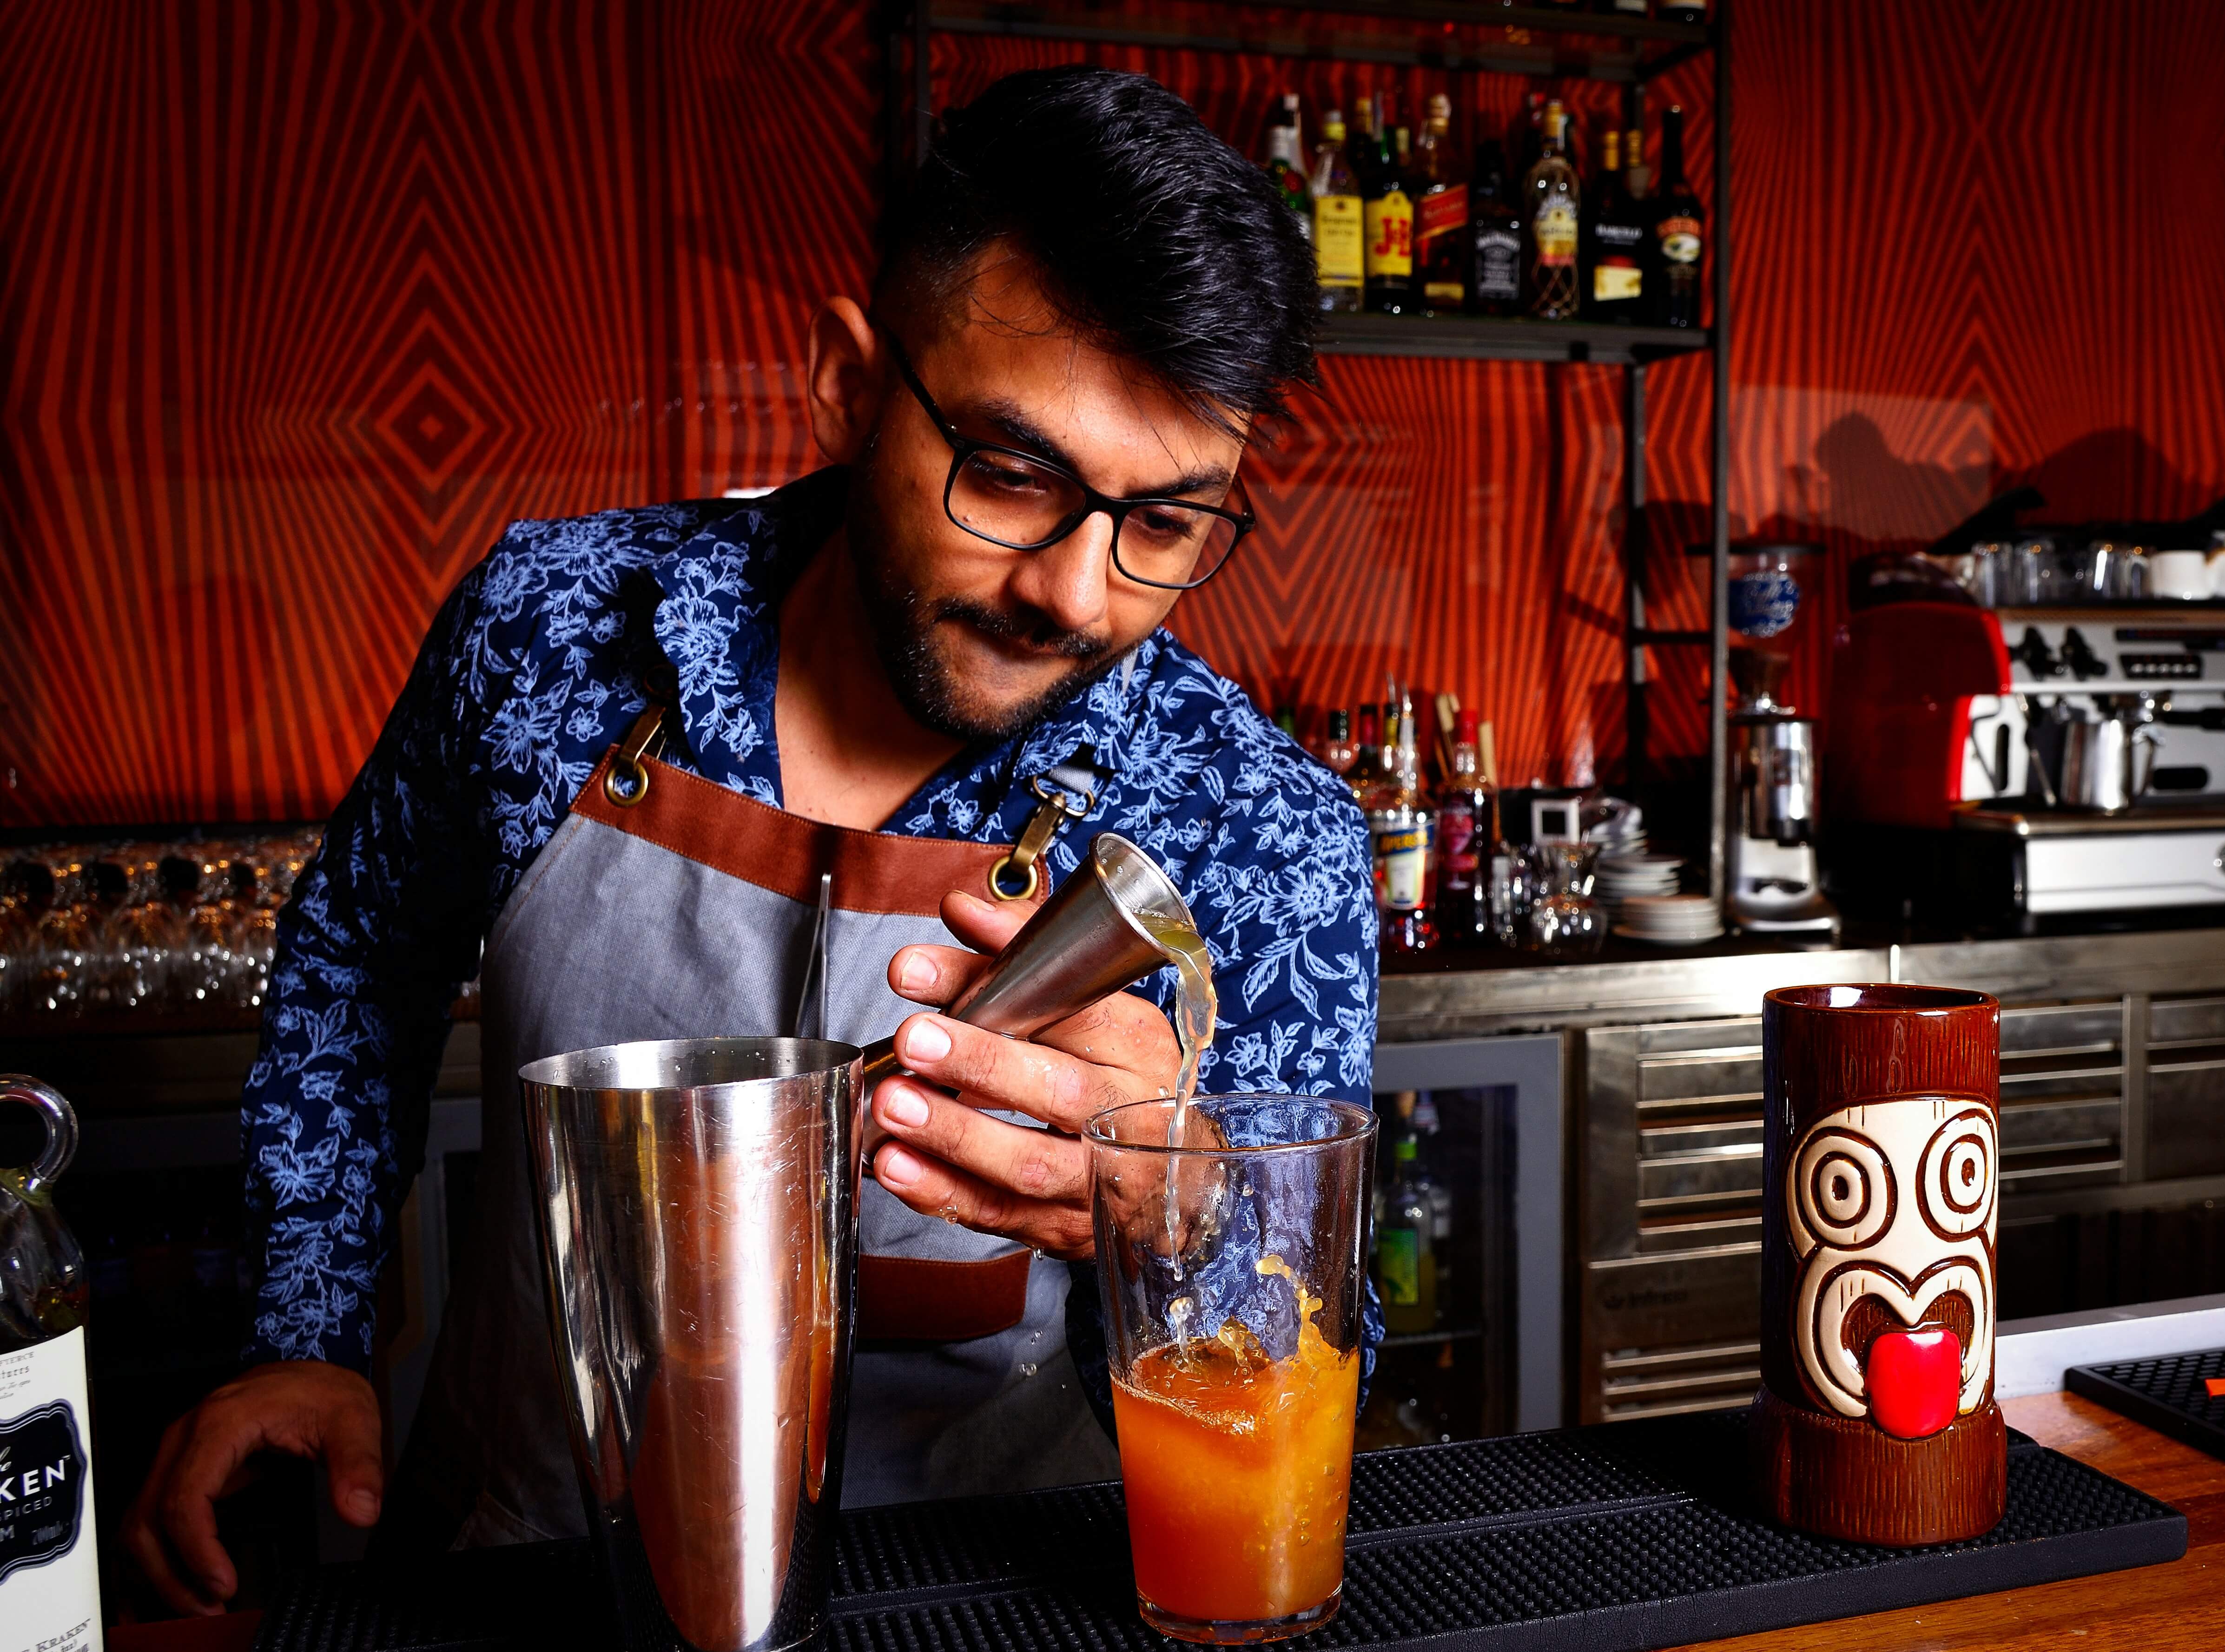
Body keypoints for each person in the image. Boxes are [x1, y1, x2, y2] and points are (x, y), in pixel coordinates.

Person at [123, 65, 1376, 1613]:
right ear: (849, 385)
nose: (1078, 591)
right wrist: (303, 1331)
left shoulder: (1262, 829)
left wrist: (1181, 1217)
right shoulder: (555, 633)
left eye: (1168, 523)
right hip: (527, 1572)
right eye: (1011, 475)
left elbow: (1318, 1345)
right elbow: (357, 969)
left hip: (993, 1601)